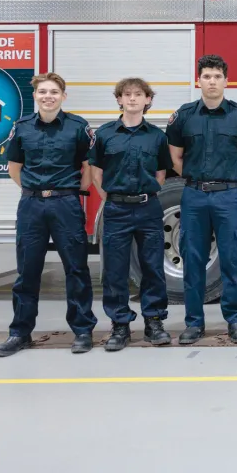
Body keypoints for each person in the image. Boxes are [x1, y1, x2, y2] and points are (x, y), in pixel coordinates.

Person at [0, 72, 97, 357]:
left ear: (63, 96)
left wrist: (77, 188)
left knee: (76, 269)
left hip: (66, 204)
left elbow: (88, 164)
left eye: (54, 92)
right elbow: (14, 167)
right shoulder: (22, 127)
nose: (48, 96)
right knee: (27, 271)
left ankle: (82, 330)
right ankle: (20, 333)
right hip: (31, 207)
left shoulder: (78, 126)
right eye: (43, 92)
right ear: (35, 96)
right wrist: (34, 190)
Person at [166, 54, 237, 346]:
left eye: (217, 76)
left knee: (233, 260)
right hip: (194, 195)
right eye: (206, 76)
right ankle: (194, 323)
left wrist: (230, 180)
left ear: (226, 81)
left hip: (228, 196)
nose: (212, 81)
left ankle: (235, 321)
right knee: (193, 259)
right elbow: (175, 157)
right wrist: (198, 181)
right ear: (199, 81)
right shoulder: (183, 115)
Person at [90, 78, 174, 351]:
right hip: (116, 208)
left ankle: (154, 322)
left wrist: (145, 195)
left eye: (139, 95)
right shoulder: (104, 134)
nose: (133, 99)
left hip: (148, 208)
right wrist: (112, 197)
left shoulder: (157, 136)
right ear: (119, 100)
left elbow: (161, 174)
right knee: (115, 270)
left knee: (152, 267)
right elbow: (96, 172)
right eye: (127, 95)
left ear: (148, 100)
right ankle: (120, 326)